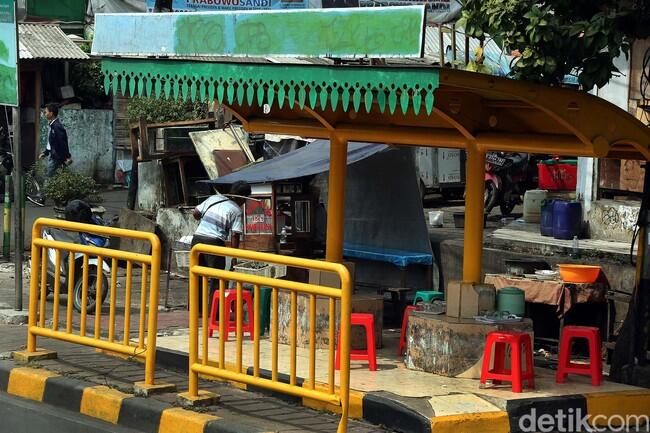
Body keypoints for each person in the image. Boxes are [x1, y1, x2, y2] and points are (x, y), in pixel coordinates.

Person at [191, 181, 251, 312]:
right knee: (217, 278)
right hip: (214, 243)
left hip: (197, 240)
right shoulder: (236, 210)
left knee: (197, 275)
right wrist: (235, 257)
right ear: (242, 197)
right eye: (244, 200)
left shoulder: (214, 198)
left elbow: (195, 213)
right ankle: (214, 312)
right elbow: (235, 235)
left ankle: (197, 310)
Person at [39, 103, 71, 179]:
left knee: (48, 177)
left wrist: (67, 157)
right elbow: (51, 142)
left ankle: (46, 191)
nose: (44, 114)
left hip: (56, 157)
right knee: (54, 177)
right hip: (53, 155)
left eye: (46, 112)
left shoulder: (57, 126)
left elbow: (62, 143)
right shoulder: (52, 125)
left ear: (51, 113)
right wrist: (45, 152)